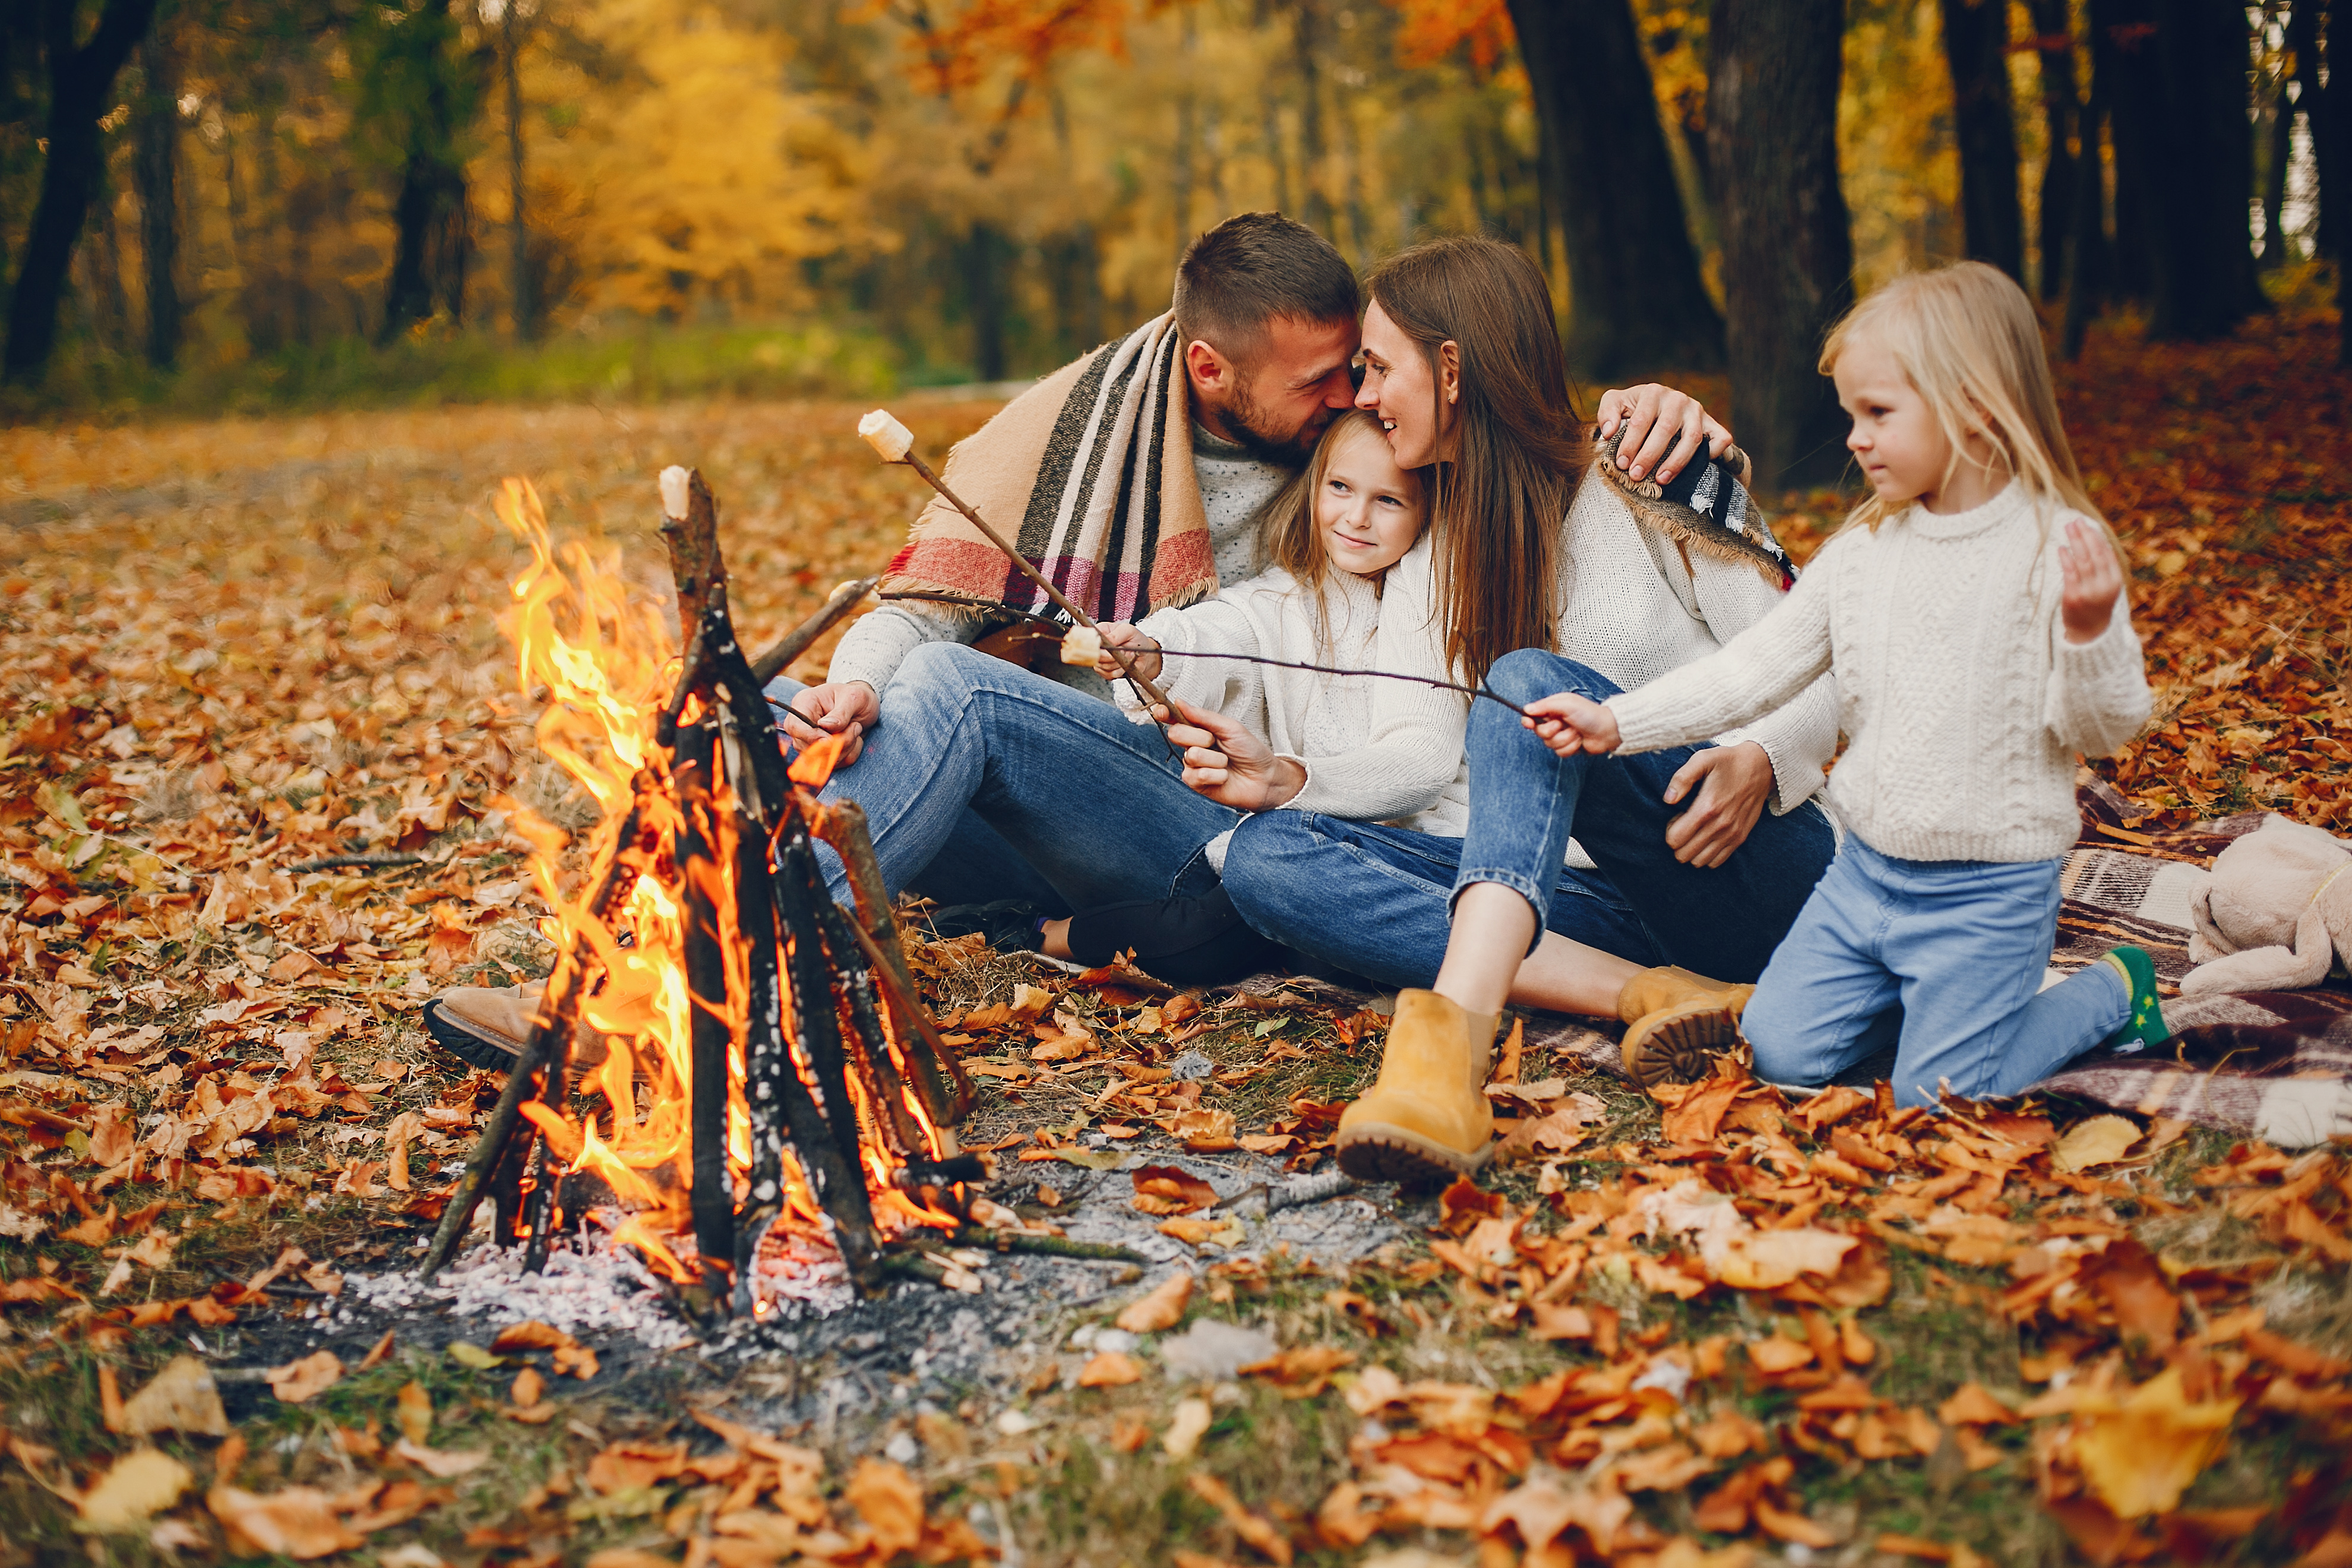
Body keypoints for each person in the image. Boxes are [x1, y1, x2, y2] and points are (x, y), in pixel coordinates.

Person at [426, 211, 1725, 1068]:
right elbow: (951, 614)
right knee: (901, 697)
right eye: (1326, 385)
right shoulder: (1096, 428)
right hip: (1176, 786)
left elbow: (1521, 449)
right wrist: (853, 692)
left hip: (1266, 833)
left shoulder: (1417, 472)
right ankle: (661, 973)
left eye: (1364, 373)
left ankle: (675, 1017)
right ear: (1211, 374)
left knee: (977, 713)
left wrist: (1675, 430)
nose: (1353, 409)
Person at [1216, 236, 1843, 1186]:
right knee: (1261, 855)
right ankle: (1664, 995)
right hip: (1596, 911)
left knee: (1523, 680)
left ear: (1454, 367)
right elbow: (1421, 755)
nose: (1363, 395)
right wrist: (1295, 779)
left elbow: (1821, 658)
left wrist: (1762, 757)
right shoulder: (1432, 550)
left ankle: (1446, 1060)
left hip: (1749, 860)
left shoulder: (1647, 469)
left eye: (1381, 367)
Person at [1493, 262, 2167, 1113]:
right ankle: (1924, 1007)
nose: (1854, 438)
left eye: (1878, 414)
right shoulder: (1865, 550)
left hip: (1985, 892)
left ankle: (2112, 990)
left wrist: (2089, 628)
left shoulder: (2052, 550)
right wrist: (1614, 723)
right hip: (1867, 882)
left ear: (1977, 406)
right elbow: (1753, 670)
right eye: (1852, 414)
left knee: (1941, 1095)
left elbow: (2105, 726)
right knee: (1778, 1049)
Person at [1049, 407, 1461, 981]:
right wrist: (1155, 650)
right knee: (1220, 919)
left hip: (1426, 851)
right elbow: (1220, 629)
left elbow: (1427, 767)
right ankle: (1040, 930)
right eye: (1340, 488)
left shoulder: (1439, 598)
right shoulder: (1287, 599)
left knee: (1224, 928)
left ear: (1428, 510)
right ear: (1316, 486)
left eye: (1389, 501)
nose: (1357, 517)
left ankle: (1047, 931)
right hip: (1315, 839)